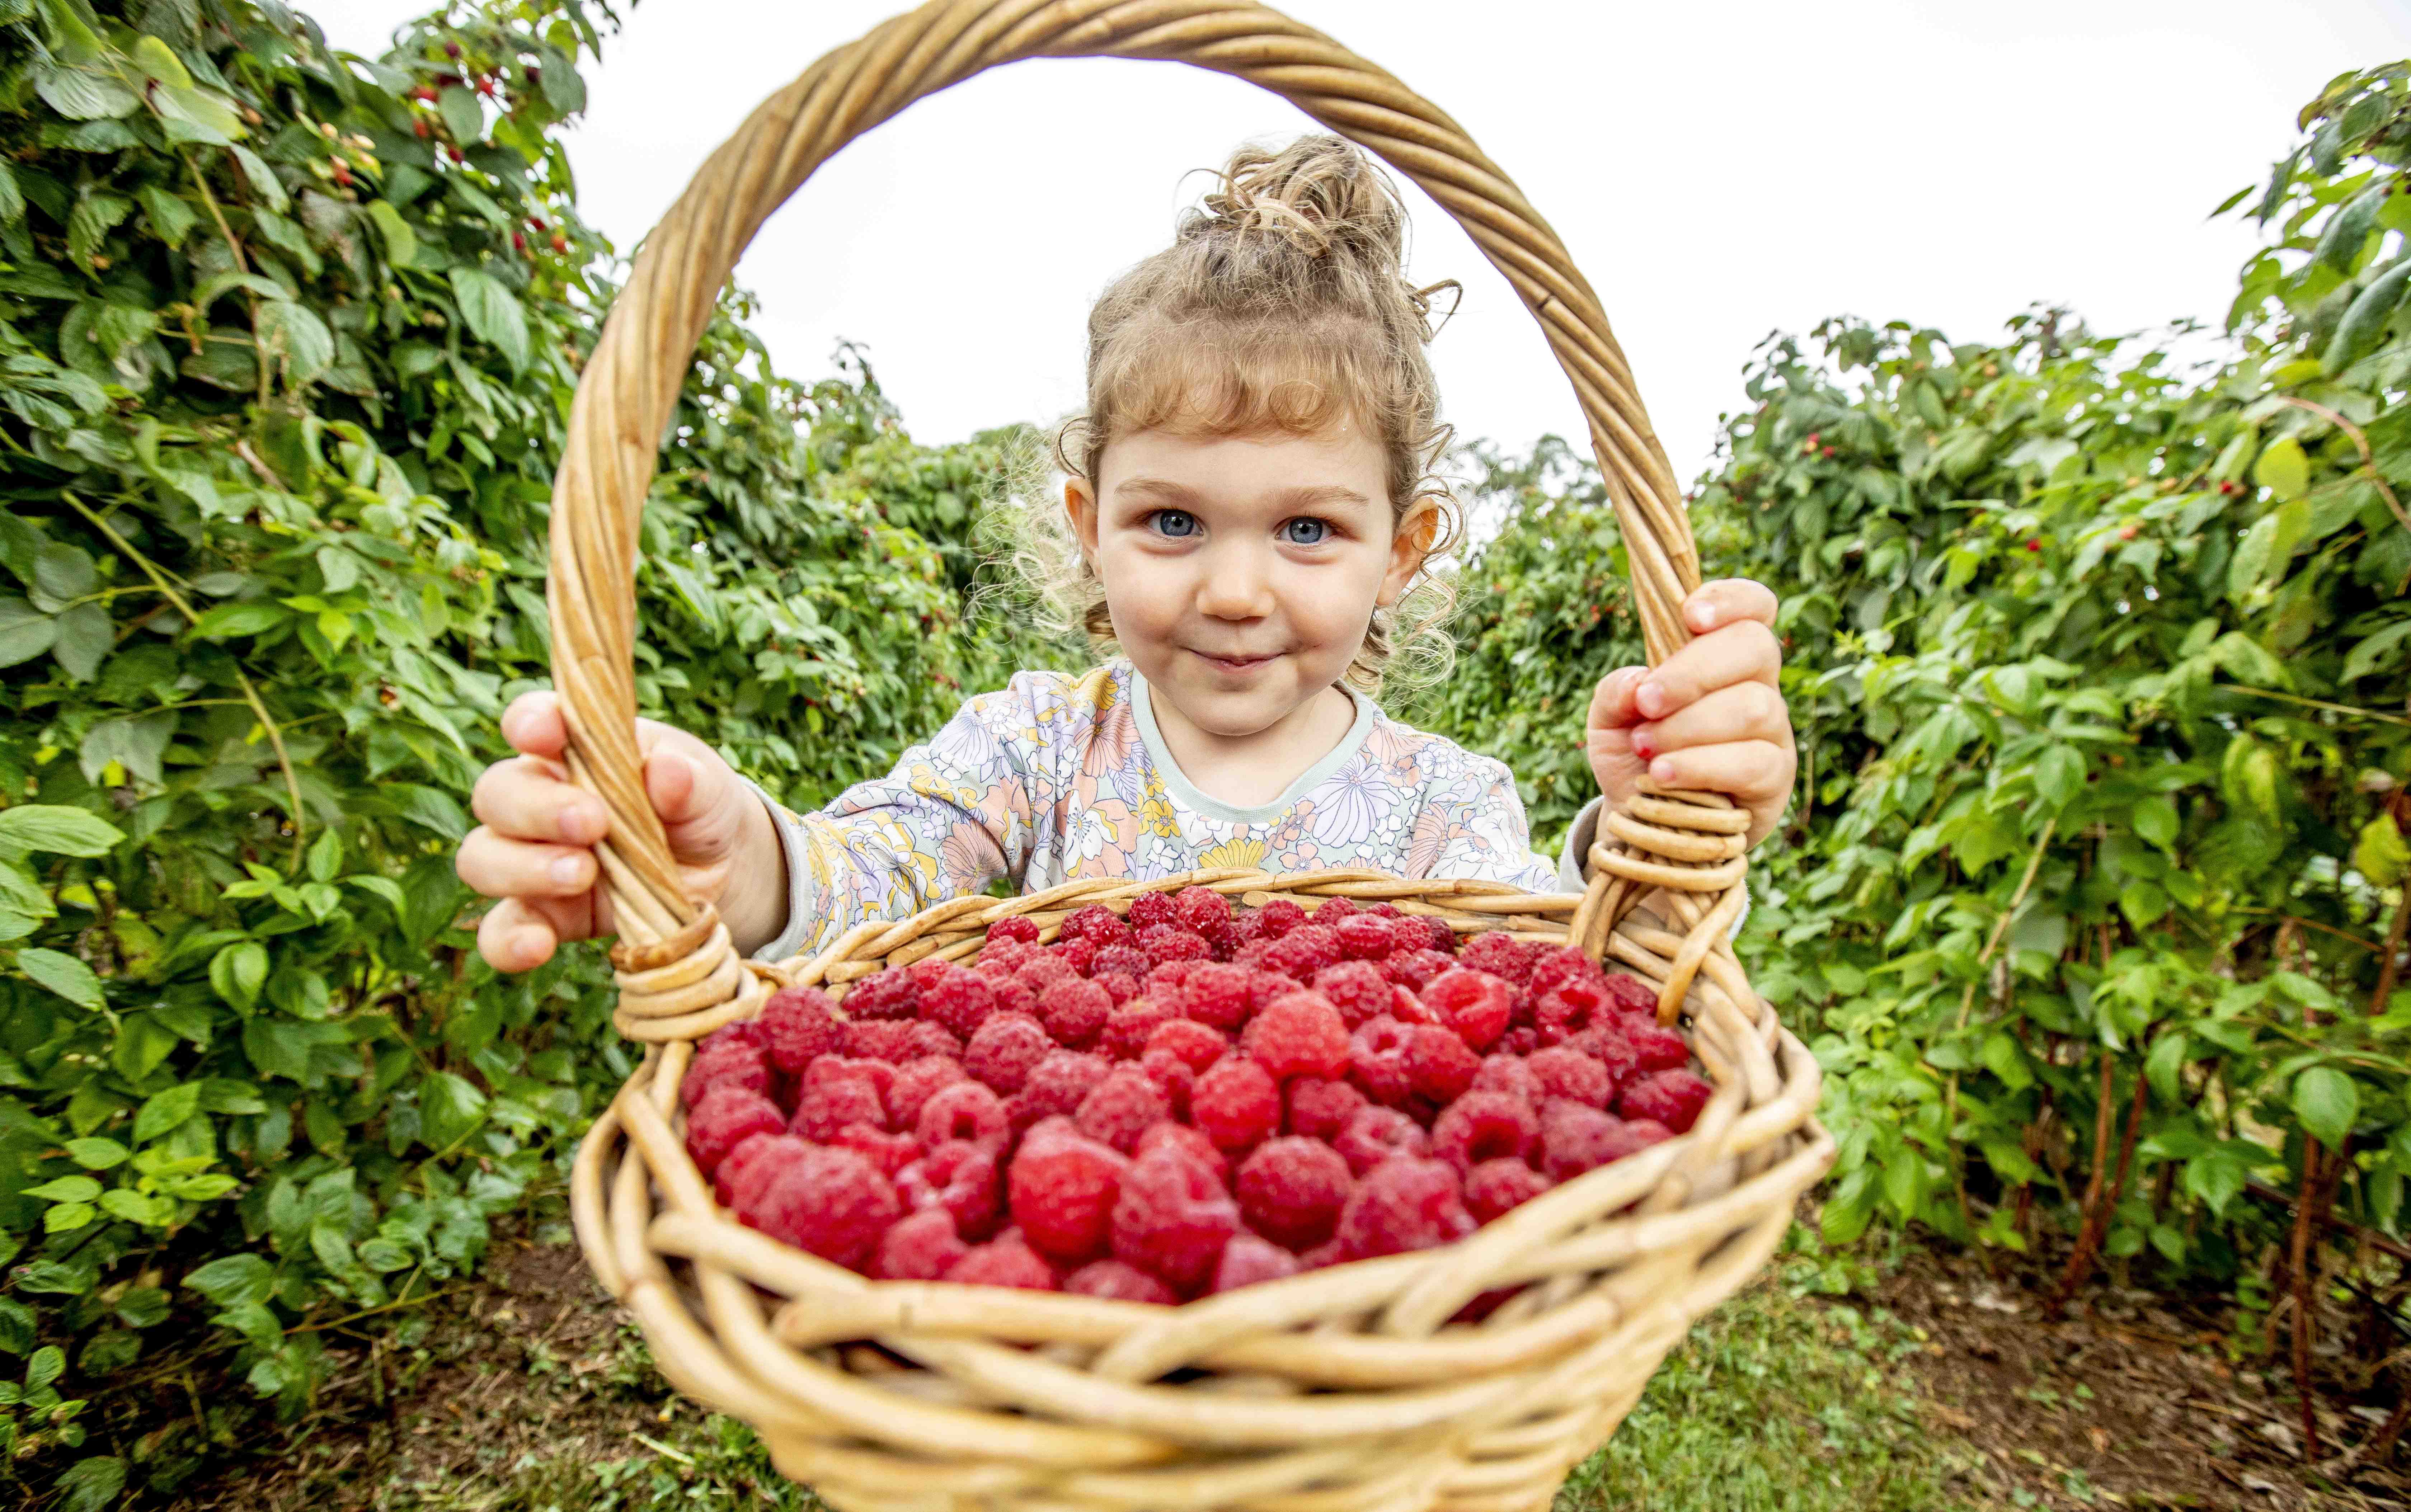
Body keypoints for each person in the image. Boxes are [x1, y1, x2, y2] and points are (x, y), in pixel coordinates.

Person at [455, 135, 1796, 975]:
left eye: (1310, 530)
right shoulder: (1033, 756)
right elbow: (877, 879)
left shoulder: (1446, 807)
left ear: (1406, 550)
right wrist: (738, 859)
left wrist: (1656, 833)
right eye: (1171, 522)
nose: (1230, 589)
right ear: (1086, 523)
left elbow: (1561, 980)